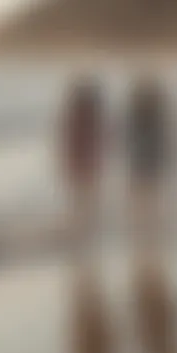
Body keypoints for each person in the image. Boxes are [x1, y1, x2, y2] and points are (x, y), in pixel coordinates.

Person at [59, 77, 104, 246]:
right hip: (86, 166)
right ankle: (85, 235)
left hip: (83, 166)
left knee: (81, 204)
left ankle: (82, 236)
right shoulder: (87, 117)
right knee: (86, 204)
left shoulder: (79, 117)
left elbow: (69, 143)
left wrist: (68, 163)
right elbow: (94, 143)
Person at [126, 77, 167, 253]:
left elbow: (156, 142)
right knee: (146, 200)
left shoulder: (145, 118)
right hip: (145, 164)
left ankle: (145, 234)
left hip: (145, 164)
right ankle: (145, 234)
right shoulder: (147, 118)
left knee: (146, 200)